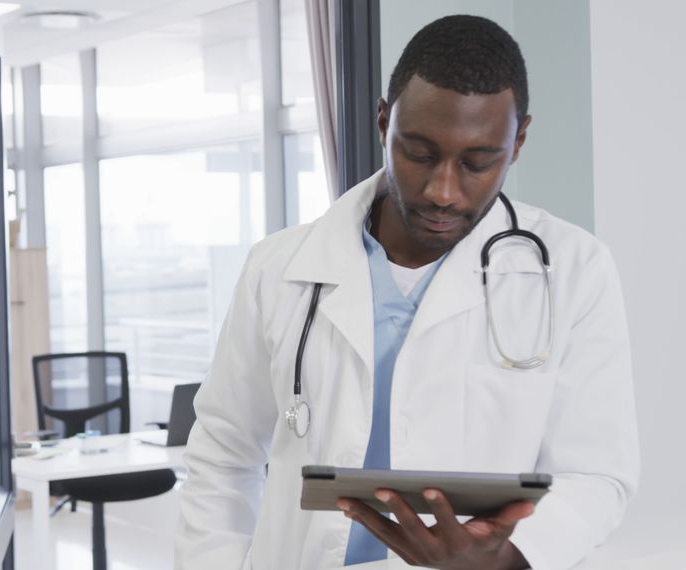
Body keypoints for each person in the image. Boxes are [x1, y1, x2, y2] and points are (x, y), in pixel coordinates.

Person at [175, 15, 637, 570]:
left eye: (477, 162)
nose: (443, 190)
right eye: (419, 153)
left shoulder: (573, 269)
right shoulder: (278, 268)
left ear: (517, 142)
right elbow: (224, 452)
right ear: (382, 122)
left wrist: (508, 558)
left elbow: (596, 473)